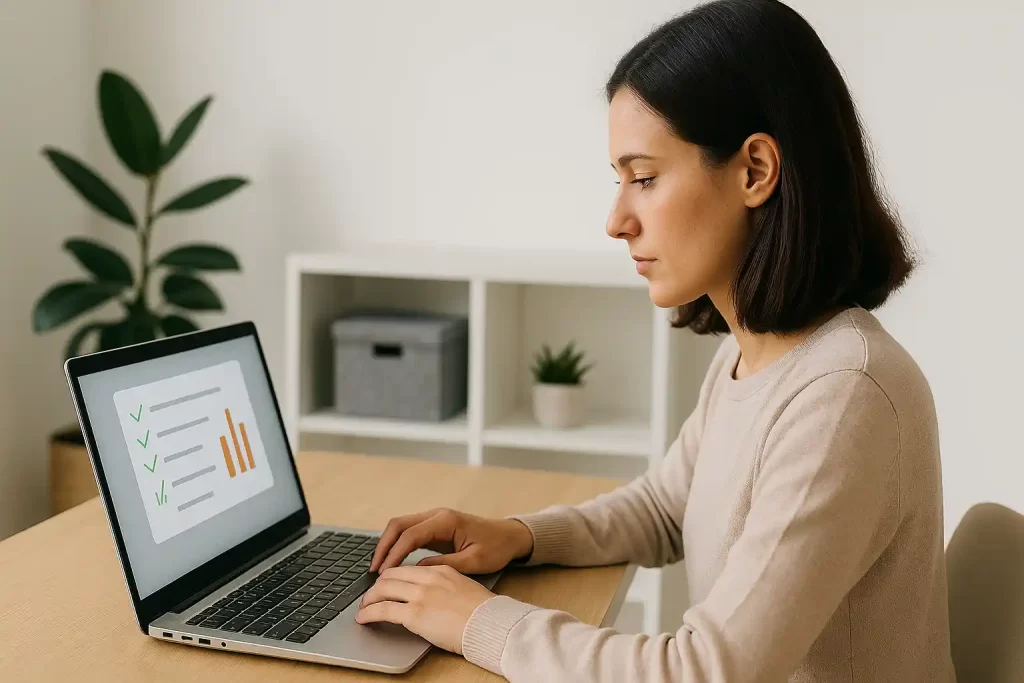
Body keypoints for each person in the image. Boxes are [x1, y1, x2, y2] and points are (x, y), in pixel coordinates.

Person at [355, 0, 956, 680]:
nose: (616, 219)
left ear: (755, 170)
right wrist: (518, 536)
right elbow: (666, 507)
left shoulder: (847, 396)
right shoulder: (751, 352)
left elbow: (703, 670)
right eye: (620, 181)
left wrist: (475, 620)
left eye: (643, 178)